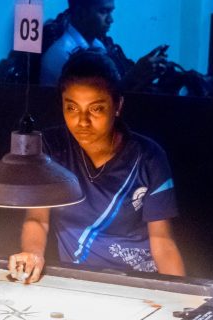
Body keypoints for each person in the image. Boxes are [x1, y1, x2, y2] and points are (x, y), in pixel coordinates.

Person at [10, 50, 185, 282]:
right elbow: (37, 219)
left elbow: (162, 242)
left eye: (96, 108)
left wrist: (179, 294)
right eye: (72, 108)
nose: (82, 121)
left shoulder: (149, 157)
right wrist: (32, 254)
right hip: (80, 280)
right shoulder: (51, 149)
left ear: (118, 105)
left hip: (139, 281)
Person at [40, 0, 169, 90]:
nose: (110, 20)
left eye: (110, 12)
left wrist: (145, 76)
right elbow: (95, 102)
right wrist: (133, 76)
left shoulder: (101, 47)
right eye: (103, 11)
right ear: (80, 12)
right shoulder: (63, 54)